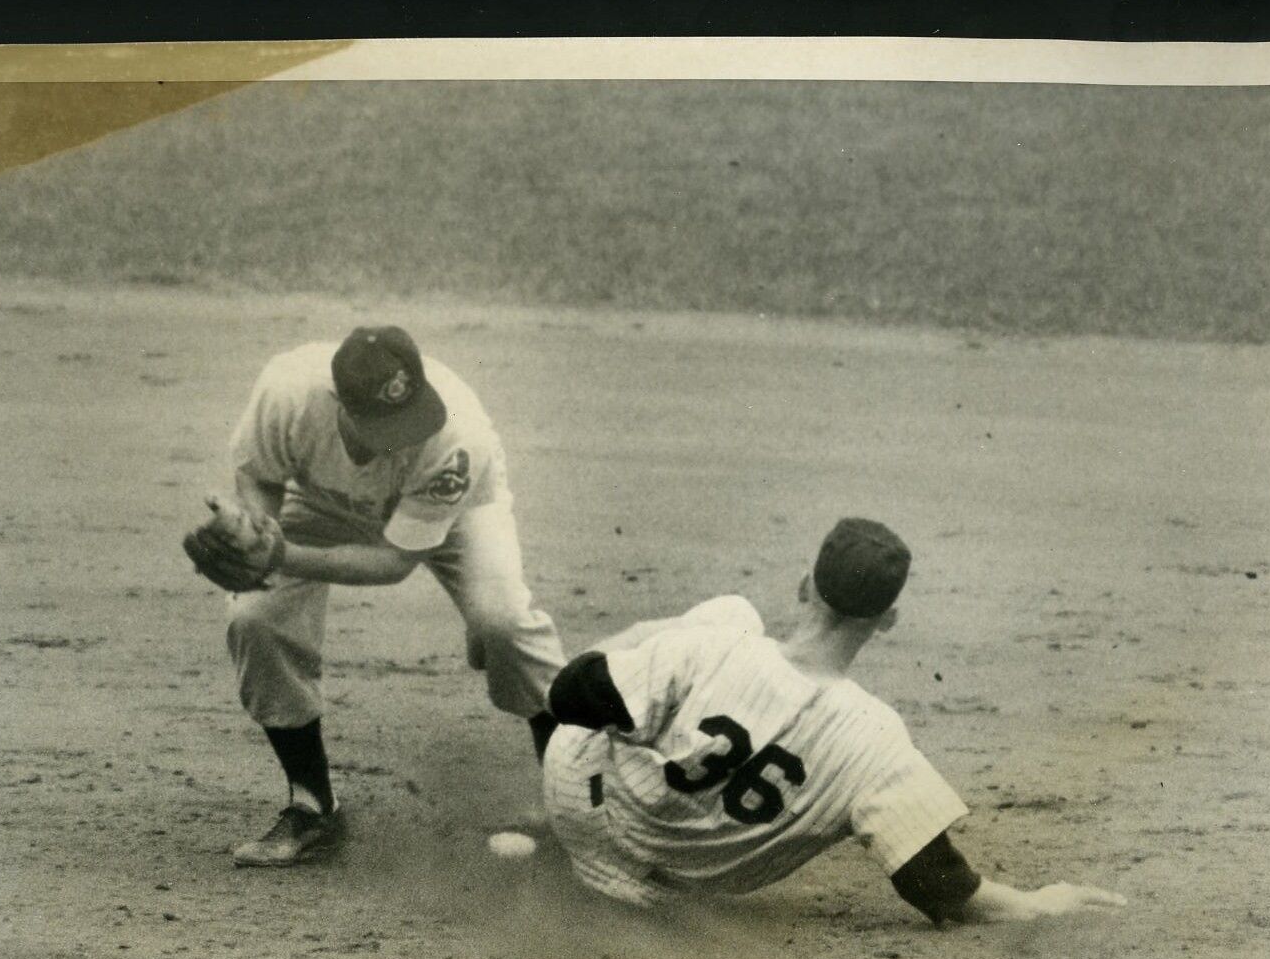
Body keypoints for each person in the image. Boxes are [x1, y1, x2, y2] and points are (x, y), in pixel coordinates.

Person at [536, 517, 1125, 924]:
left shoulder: (715, 647)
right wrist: (1042, 902)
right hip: (664, 890)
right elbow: (945, 891)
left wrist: (650, 650)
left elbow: (567, 696)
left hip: (574, 800)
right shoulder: (879, 744)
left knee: (727, 614)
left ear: (803, 587)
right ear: (887, 620)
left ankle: (551, 823)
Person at [200, 325, 566, 867]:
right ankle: (313, 807)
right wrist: (259, 531)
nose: (404, 436)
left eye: (411, 416)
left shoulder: (456, 437)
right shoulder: (288, 392)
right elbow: (259, 475)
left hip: (454, 513)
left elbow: (394, 562)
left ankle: (577, 800)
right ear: (337, 403)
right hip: (324, 502)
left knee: (503, 623)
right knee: (255, 615)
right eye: (383, 425)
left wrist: (280, 556)